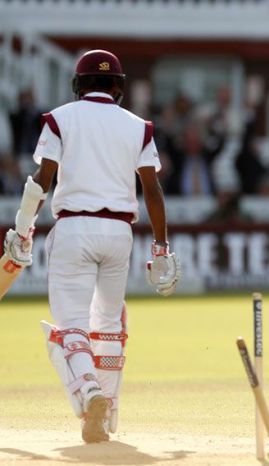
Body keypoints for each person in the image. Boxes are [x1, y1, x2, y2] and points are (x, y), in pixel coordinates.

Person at [2, 50, 180, 443]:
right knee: (108, 326)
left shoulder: (60, 118)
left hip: (74, 229)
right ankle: (101, 416)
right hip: (119, 234)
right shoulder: (139, 126)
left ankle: (90, 392)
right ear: (118, 87)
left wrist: (22, 228)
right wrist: (162, 248)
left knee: (71, 327)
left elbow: (42, 180)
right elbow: (152, 189)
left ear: (78, 85)